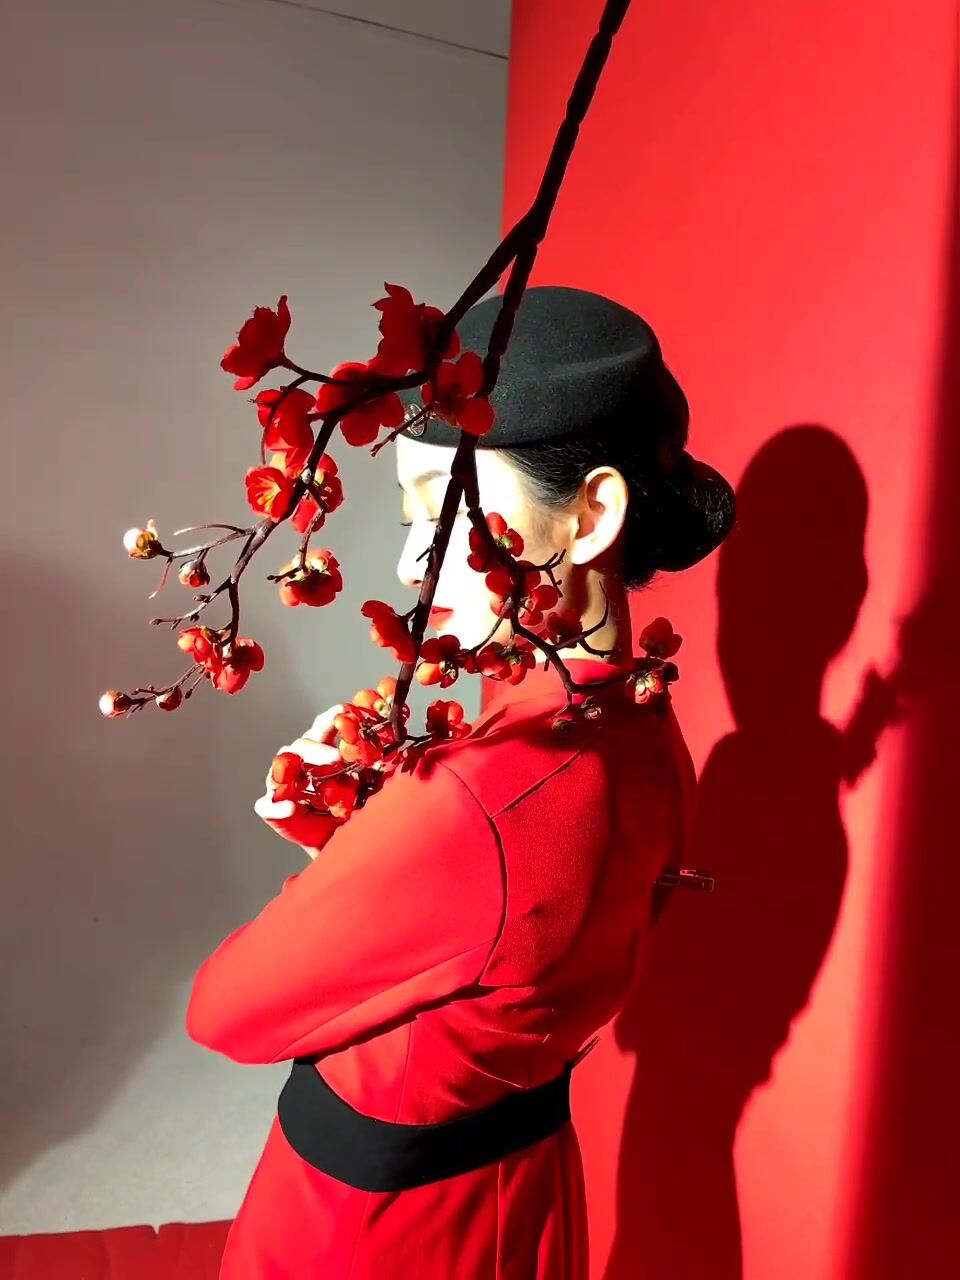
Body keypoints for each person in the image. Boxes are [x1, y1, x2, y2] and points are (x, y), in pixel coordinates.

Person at [186, 285, 737, 1278]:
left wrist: (377, 844)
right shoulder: (644, 724)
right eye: (412, 515)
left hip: (373, 1233)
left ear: (592, 512)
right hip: (517, 1196)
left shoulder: (485, 793)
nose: (412, 562)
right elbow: (503, 947)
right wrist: (367, 834)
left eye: (446, 511)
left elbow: (223, 1010)